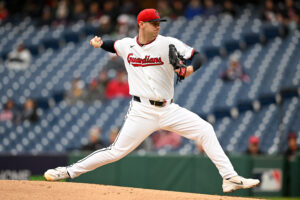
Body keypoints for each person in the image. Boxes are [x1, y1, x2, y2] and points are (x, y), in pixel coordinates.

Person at [44, 8, 260, 193]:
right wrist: (100, 43)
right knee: (115, 151)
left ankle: (229, 177)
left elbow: (199, 55)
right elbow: (114, 45)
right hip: (141, 111)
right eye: (153, 23)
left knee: (205, 130)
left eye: (159, 23)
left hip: (168, 109)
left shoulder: (168, 44)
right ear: (141, 25)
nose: (158, 26)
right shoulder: (127, 45)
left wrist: (189, 69)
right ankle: (67, 171)